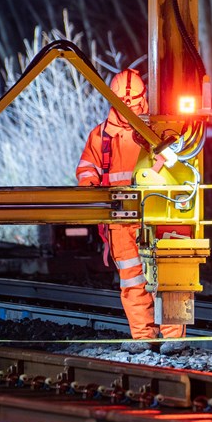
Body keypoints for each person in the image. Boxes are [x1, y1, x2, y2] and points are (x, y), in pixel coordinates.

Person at [76, 69, 184, 342]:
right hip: (121, 220)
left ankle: (173, 339)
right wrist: (91, 193)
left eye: (135, 105)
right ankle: (143, 338)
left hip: (160, 217)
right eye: (126, 106)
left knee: (172, 278)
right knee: (133, 282)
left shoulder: (161, 131)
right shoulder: (100, 136)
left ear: (144, 99)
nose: (131, 111)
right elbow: (86, 171)